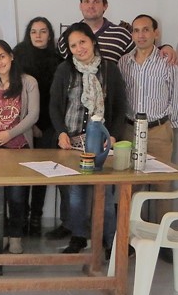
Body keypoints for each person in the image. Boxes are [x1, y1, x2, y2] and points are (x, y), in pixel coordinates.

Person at [49, 22, 126, 254]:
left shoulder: (109, 69)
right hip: (73, 143)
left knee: (106, 195)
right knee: (76, 194)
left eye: (82, 42)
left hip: (101, 142)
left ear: (92, 41)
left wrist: (113, 136)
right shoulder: (64, 70)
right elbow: (54, 106)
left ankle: (110, 241)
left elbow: (120, 107)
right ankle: (79, 236)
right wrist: (61, 132)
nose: (79, 48)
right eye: (73, 45)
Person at [118, 14, 178, 263]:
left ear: (156, 33)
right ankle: (129, 239)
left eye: (146, 30)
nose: (141, 35)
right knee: (130, 187)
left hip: (158, 129)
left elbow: (177, 94)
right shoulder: (124, 62)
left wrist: (169, 126)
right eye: (136, 30)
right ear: (132, 34)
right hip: (129, 130)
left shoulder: (168, 61)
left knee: (161, 186)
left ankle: (162, 241)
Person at [0, 39, 40, 254]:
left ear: (11, 56)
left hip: (19, 148)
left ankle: (15, 236)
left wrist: (9, 134)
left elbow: (33, 115)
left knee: (17, 196)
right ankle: (1, 234)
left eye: (2, 56)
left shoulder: (28, 82)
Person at [13, 17, 63, 236]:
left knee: (42, 173)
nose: (38, 35)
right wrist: (30, 124)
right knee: (22, 173)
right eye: (34, 31)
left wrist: (46, 125)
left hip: (49, 124)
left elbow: (58, 98)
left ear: (50, 35)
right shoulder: (18, 55)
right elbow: (15, 94)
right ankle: (20, 218)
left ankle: (36, 217)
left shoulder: (58, 59)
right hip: (23, 124)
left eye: (43, 31)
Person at [57, 0, 177, 64]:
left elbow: (144, 52)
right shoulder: (67, 36)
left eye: (96, 2)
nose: (91, 6)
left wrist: (165, 48)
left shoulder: (121, 35)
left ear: (105, 6)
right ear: (80, 6)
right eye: (86, 1)